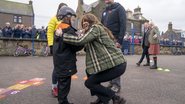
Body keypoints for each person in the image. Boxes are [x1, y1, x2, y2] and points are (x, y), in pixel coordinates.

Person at [59, 13, 127, 104]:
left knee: (89, 83)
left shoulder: (96, 28)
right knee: (89, 72)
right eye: (82, 24)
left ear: (90, 23)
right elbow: (86, 46)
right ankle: (102, 99)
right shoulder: (91, 31)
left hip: (117, 65)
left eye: (85, 24)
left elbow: (80, 41)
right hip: (113, 64)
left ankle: (116, 98)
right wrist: (82, 33)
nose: (83, 26)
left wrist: (62, 35)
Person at [53, 6, 83, 104]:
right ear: (67, 17)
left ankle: (62, 101)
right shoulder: (69, 30)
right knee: (65, 84)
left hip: (60, 61)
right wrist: (82, 39)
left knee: (62, 83)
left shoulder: (59, 28)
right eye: (72, 18)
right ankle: (63, 102)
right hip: (65, 61)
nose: (73, 20)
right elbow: (76, 45)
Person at [101, 0, 127, 93]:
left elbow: (123, 25)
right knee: (109, 63)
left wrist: (119, 41)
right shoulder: (104, 11)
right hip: (105, 40)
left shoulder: (119, 8)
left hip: (115, 39)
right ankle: (111, 82)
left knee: (116, 63)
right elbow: (101, 26)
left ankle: (116, 84)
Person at [47, 3, 68, 97]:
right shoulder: (54, 19)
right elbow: (50, 32)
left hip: (65, 47)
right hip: (56, 46)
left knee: (64, 68)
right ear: (59, 10)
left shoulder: (68, 19)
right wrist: (51, 45)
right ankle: (54, 87)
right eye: (62, 8)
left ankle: (60, 86)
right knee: (56, 68)